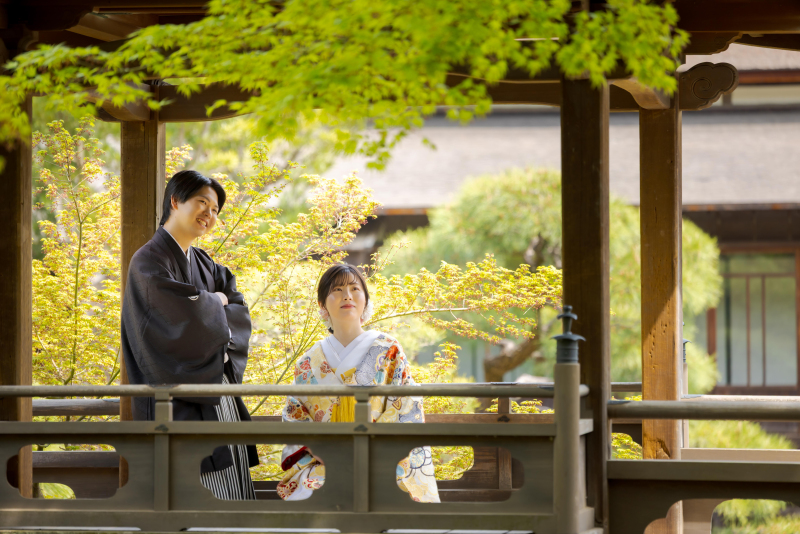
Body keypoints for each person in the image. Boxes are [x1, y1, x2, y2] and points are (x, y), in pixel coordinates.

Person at [121, 170, 258, 500]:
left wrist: (211, 304)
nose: (209, 214)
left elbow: (238, 306)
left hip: (215, 391)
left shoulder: (204, 262)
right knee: (190, 494)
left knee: (231, 488)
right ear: (175, 201)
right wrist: (216, 302)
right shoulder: (147, 262)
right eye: (202, 203)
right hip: (172, 397)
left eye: (215, 210)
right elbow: (187, 319)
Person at [277, 264, 440, 503]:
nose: (347, 295)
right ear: (322, 305)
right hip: (324, 462)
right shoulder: (308, 362)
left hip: (381, 458)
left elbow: (406, 405)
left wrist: (368, 449)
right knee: (313, 493)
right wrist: (319, 450)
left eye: (355, 289)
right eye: (337, 289)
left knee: (379, 489)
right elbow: (295, 415)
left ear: (365, 300)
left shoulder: (388, 348)